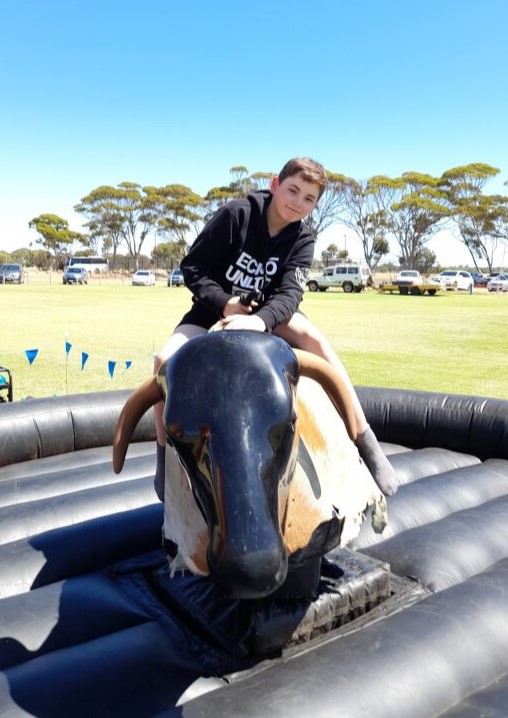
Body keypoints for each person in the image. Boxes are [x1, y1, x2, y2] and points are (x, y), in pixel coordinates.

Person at [152, 157, 397, 499]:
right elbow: (193, 267)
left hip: (269, 315)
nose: (298, 202)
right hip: (214, 312)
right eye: (293, 190)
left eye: (308, 199)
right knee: (163, 361)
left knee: (315, 339)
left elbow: (291, 294)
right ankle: (165, 459)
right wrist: (226, 303)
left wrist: (259, 320)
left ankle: (364, 439)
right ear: (275, 184)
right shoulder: (236, 215)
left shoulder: (302, 239)